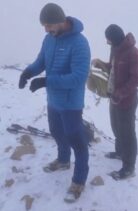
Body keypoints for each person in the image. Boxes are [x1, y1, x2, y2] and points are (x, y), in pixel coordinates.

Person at [18, 3, 91, 203]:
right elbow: (41, 60)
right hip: (53, 100)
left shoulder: (79, 43)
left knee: (76, 139)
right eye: (44, 25)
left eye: (49, 25)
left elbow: (78, 77)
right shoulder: (49, 39)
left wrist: (46, 81)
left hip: (71, 103)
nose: (46, 29)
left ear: (61, 21)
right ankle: (63, 160)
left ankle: (78, 181)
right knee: (57, 132)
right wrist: (28, 72)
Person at [92, 24, 138, 180]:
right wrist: (101, 63)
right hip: (114, 97)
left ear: (114, 38)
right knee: (116, 127)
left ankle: (129, 167)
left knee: (127, 133)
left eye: (108, 39)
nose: (107, 42)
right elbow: (113, 68)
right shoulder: (115, 49)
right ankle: (120, 152)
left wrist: (120, 93)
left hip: (127, 100)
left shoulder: (134, 54)